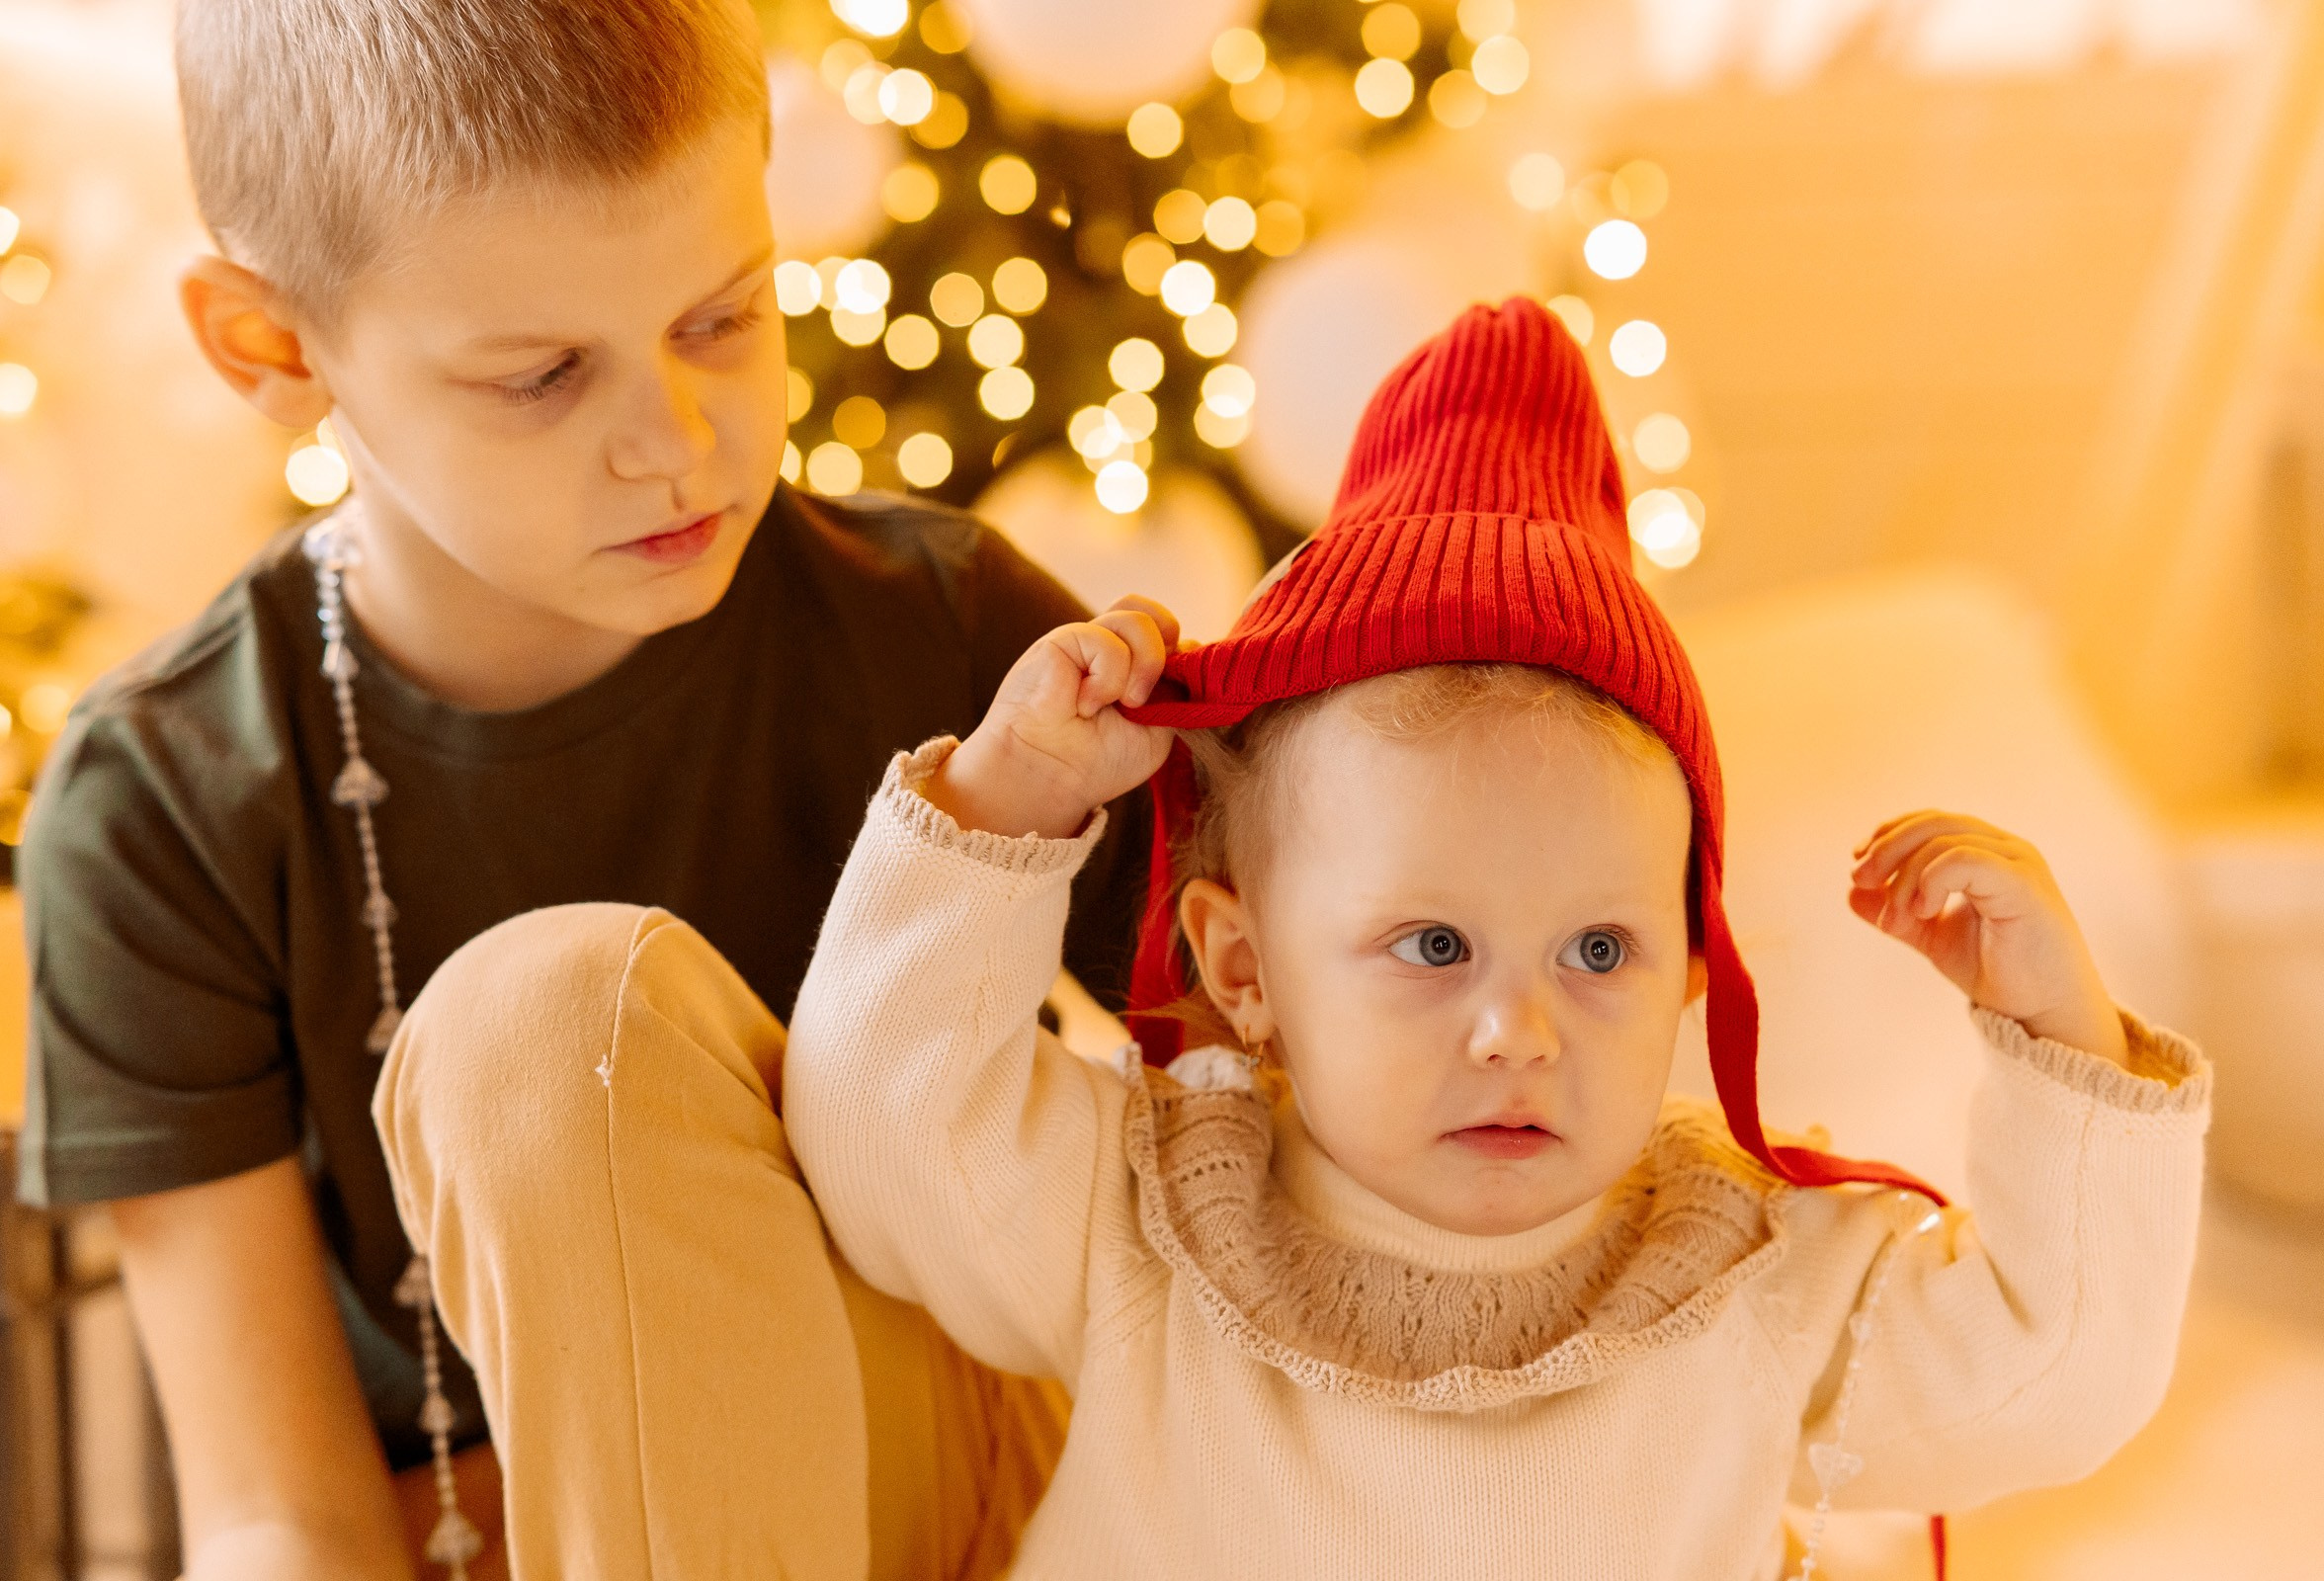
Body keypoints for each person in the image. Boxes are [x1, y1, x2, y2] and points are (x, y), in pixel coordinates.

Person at [376, 297, 2210, 1577]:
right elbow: (884, 1140)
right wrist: (1006, 811)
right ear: (1242, 973)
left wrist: (2062, 1040)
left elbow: (2054, 1374)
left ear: (1689, 962)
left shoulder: (1747, 1286)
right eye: (1430, 948)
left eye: (1596, 952)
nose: (1519, 1031)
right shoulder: (1167, 1208)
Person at [16, 3, 1147, 1577]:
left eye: (724, 318)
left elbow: (1286, 1136)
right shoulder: (161, 801)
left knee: (547, 1022)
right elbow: (277, 1510)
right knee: (539, 1031)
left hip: (991, 1499)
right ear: (272, 349)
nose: (675, 443)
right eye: (542, 375)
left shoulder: (957, 633)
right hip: (498, 1542)